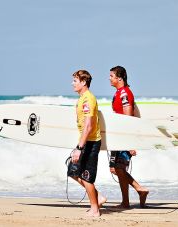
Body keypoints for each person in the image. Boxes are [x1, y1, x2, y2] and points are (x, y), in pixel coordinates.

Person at [109, 66, 149, 208]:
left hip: (124, 137)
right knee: (116, 169)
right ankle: (126, 201)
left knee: (118, 169)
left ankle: (140, 189)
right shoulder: (119, 93)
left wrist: (130, 143)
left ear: (119, 78)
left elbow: (128, 118)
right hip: (118, 137)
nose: (110, 78)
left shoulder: (124, 93)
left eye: (112, 76)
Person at [68, 70, 106, 217]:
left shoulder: (88, 99)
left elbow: (89, 126)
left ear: (83, 82)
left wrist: (79, 147)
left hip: (90, 142)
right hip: (85, 141)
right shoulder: (82, 98)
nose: (72, 83)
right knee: (72, 170)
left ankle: (95, 209)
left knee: (86, 176)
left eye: (75, 80)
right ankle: (99, 197)